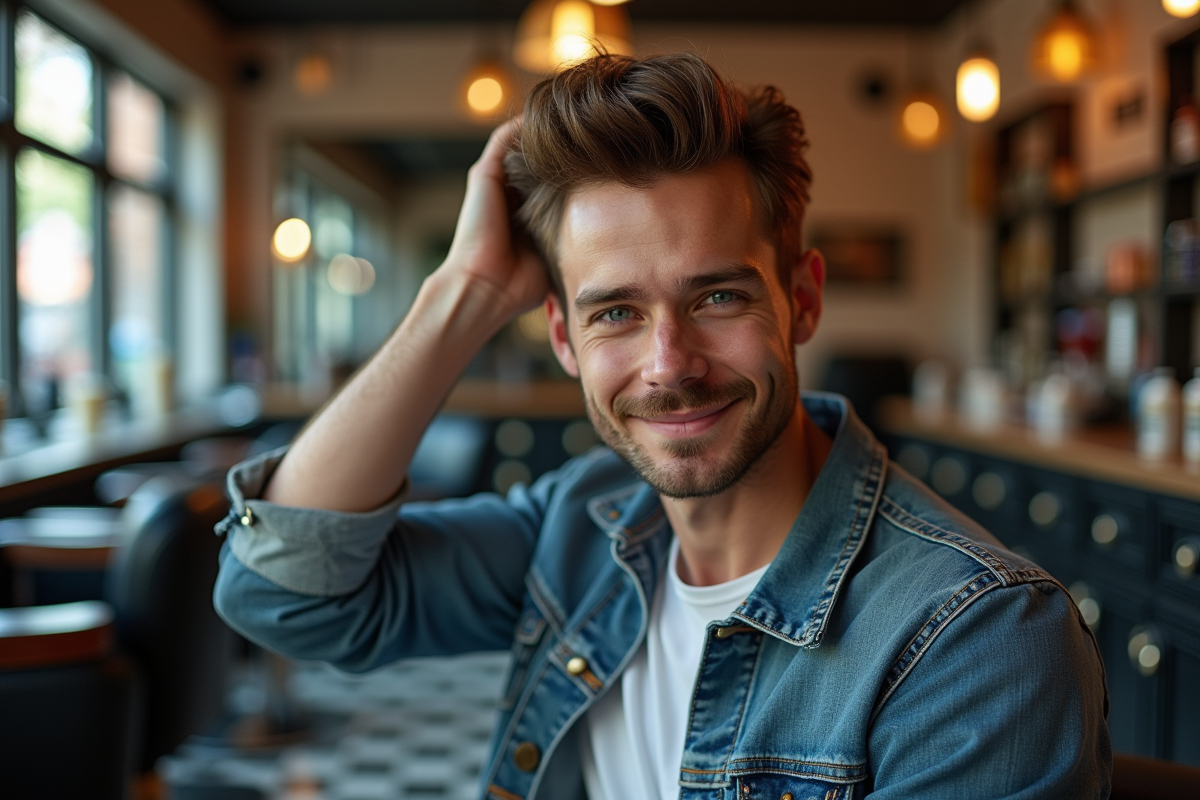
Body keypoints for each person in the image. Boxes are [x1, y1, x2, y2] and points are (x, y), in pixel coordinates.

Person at [213, 52, 1111, 800]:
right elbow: (281, 593)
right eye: (614, 313)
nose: (670, 365)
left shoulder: (976, 640)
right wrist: (463, 295)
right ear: (562, 336)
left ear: (801, 300)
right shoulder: (584, 523)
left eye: (716, 296)